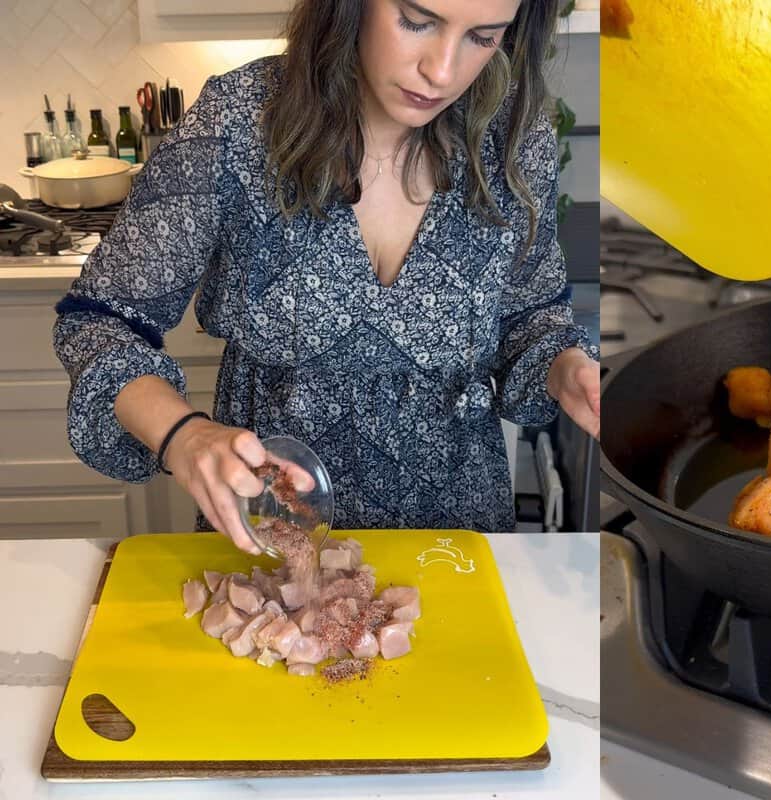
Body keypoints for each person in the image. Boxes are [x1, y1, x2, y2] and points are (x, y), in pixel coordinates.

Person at [52, 0, 600, 553]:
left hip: (457, 540)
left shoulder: (512, 134)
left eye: (482, 37)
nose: (442, 71)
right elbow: (100, 322)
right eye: (416, 21)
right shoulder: (238, 121)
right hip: (272, 535)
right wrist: (182, 435)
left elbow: (532, 318)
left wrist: (566, 367)